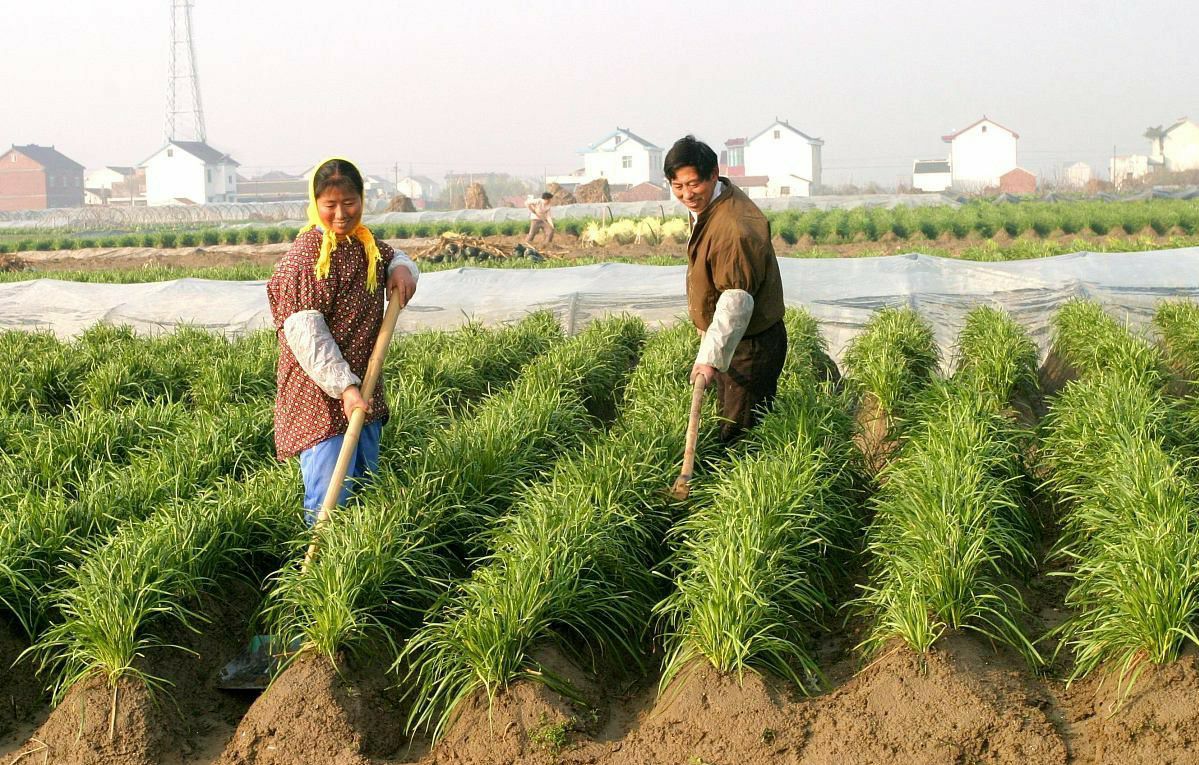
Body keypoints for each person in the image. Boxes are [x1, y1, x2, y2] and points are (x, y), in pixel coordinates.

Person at [266, 157, 419, 526]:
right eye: (330, 204)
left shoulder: (363, 244)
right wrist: (345, 388)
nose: (340, 213)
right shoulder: (306, 258)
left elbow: (395, 256)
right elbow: (306, 337)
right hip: (320, 393)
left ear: (362, 200)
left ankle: (363, 557)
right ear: (315, 204)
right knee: (330, 495)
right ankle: (321, 573)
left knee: (366, 483)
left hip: (363, 388)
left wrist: (401, 268)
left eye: (349, 203)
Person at [665, 135, 787, 442]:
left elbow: (736, 302)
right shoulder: (712, 206)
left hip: (750, 345)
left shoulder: (733, 227)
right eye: (678, 186)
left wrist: (709, 359)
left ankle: (745, 484)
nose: (687, 194)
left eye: (693, 184)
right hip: (737, 339)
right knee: (732, 418)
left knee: (739, 433)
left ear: (713, 174)